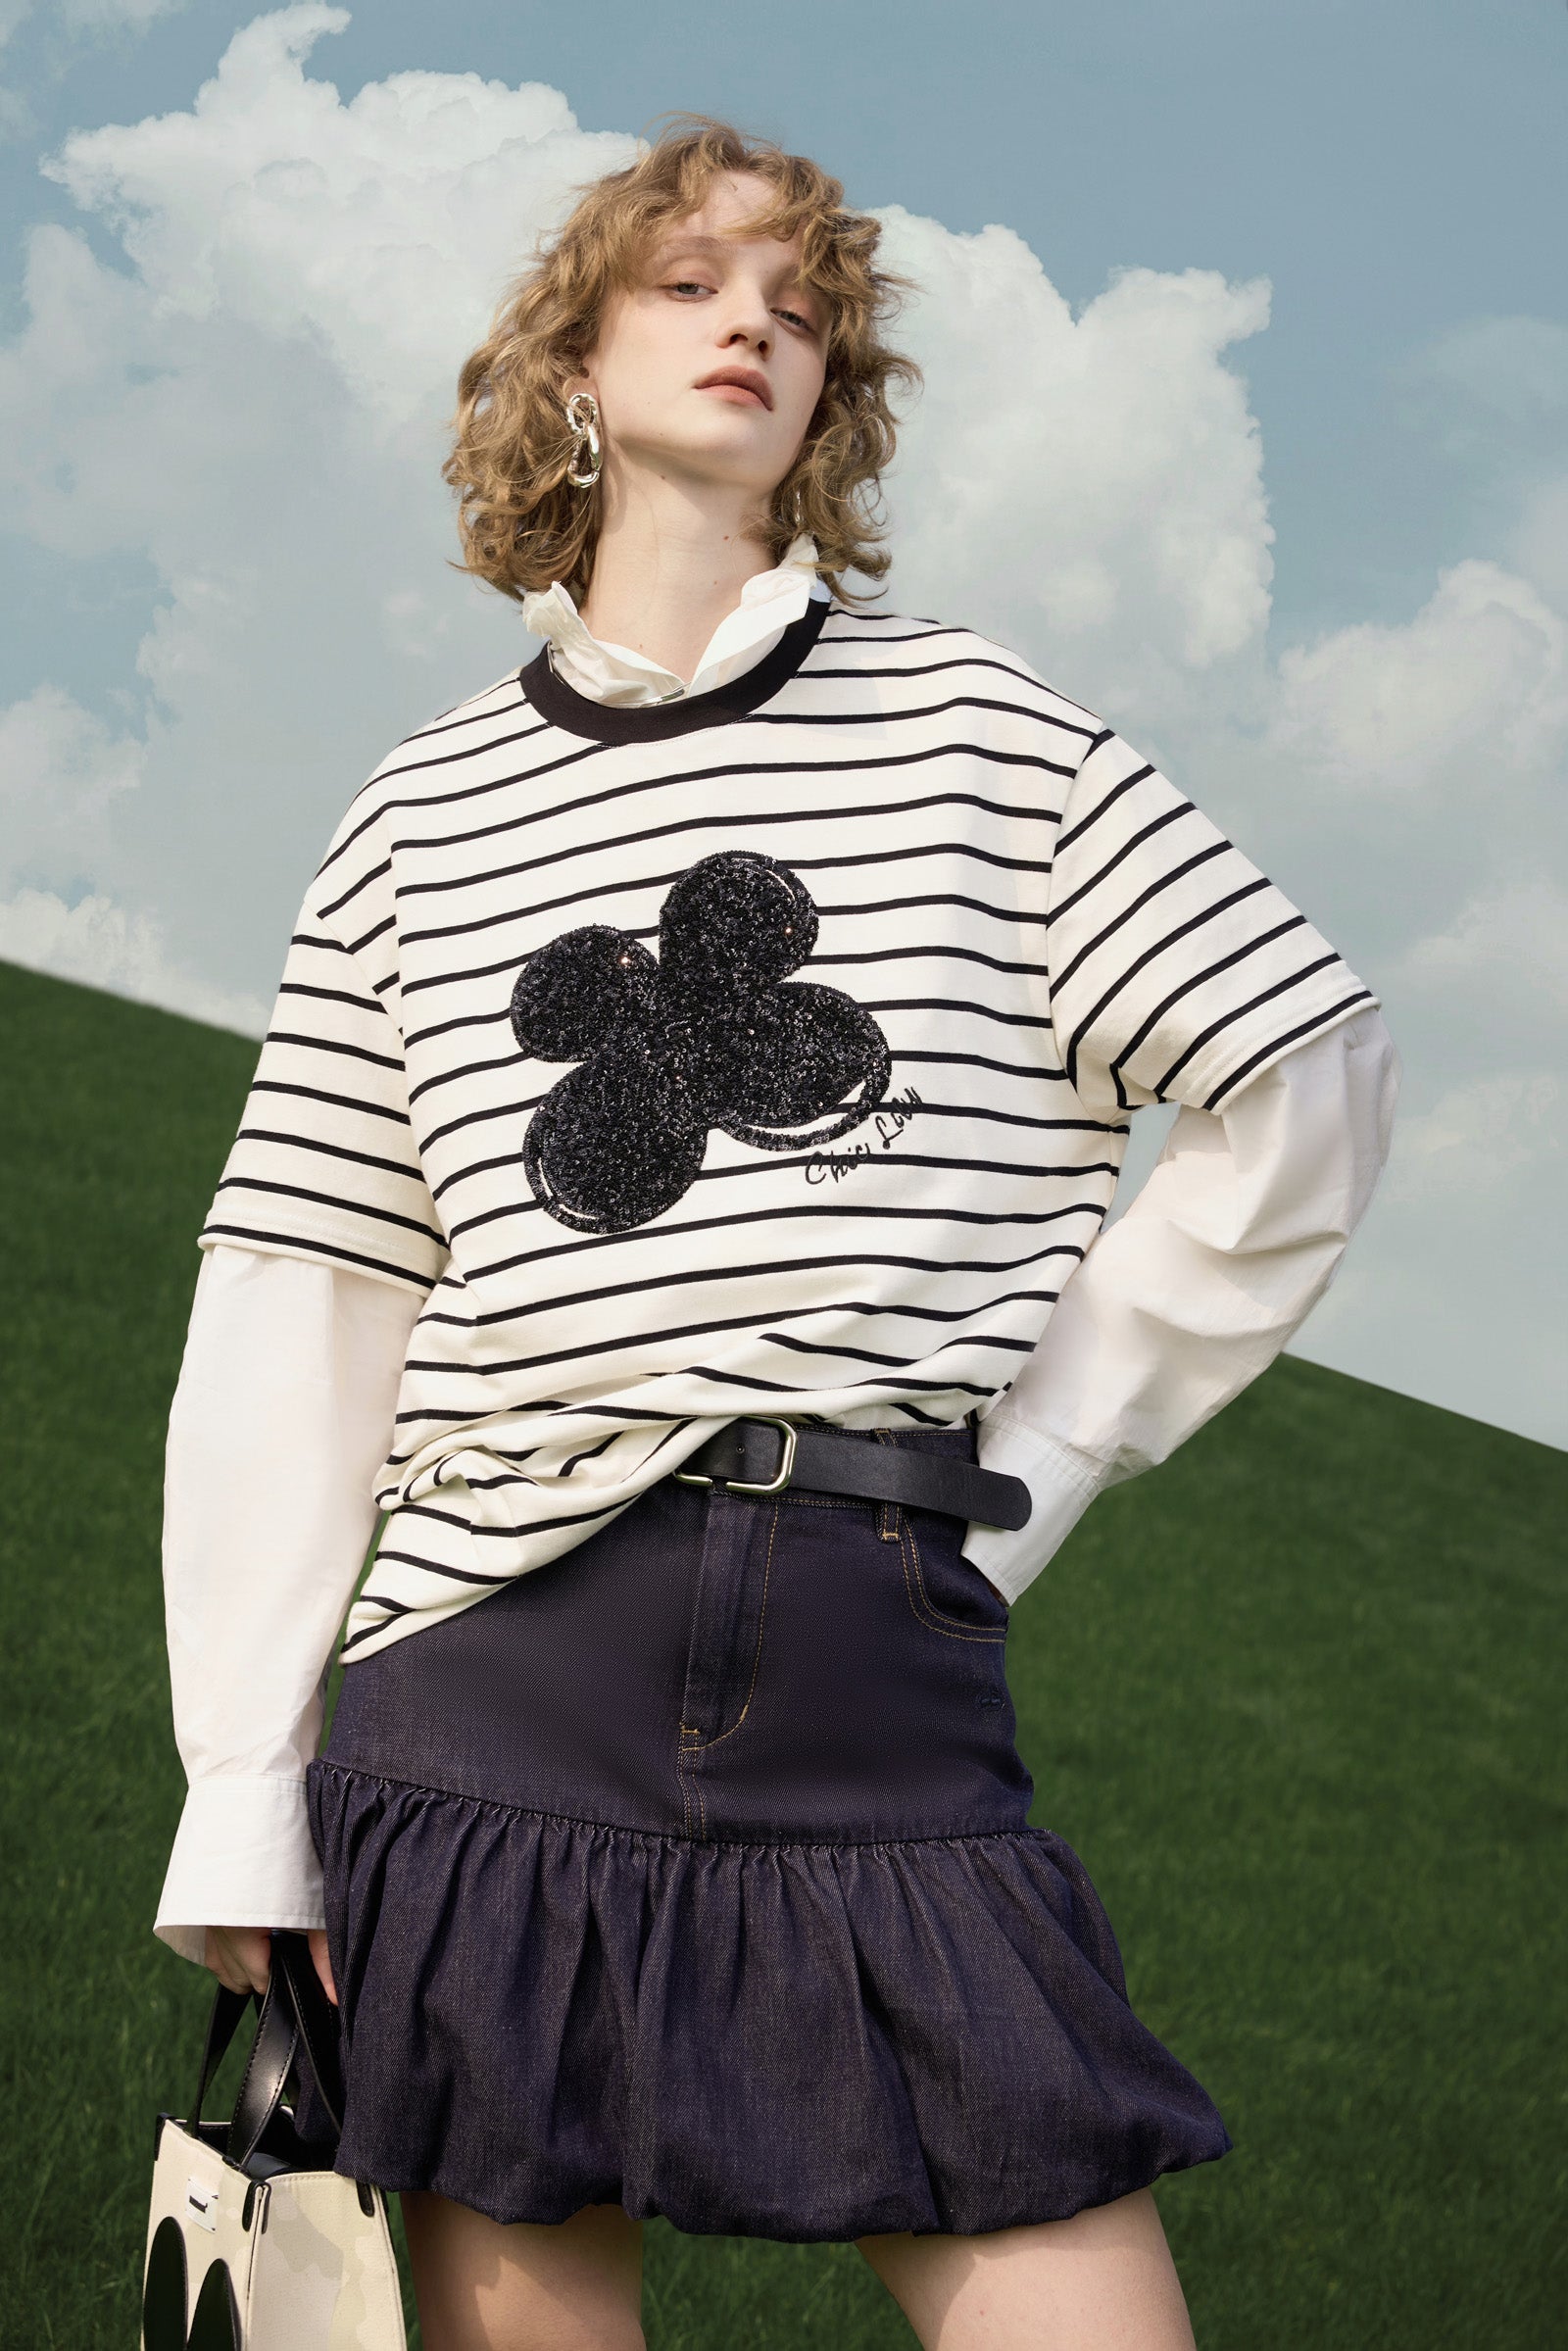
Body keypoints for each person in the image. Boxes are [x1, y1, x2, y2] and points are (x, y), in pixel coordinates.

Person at [154, 115, 1399, 2351]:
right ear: (570, 362)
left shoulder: (983, 734)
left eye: (800, 306)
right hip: (490, 1686)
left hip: (869, 1666)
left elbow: (1300, 1075)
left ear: (831, 399)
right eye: (688, 281)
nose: (752, 320)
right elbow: (302, 1299)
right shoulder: (419, 815)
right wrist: (243, 1785)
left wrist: (1037, 1457)